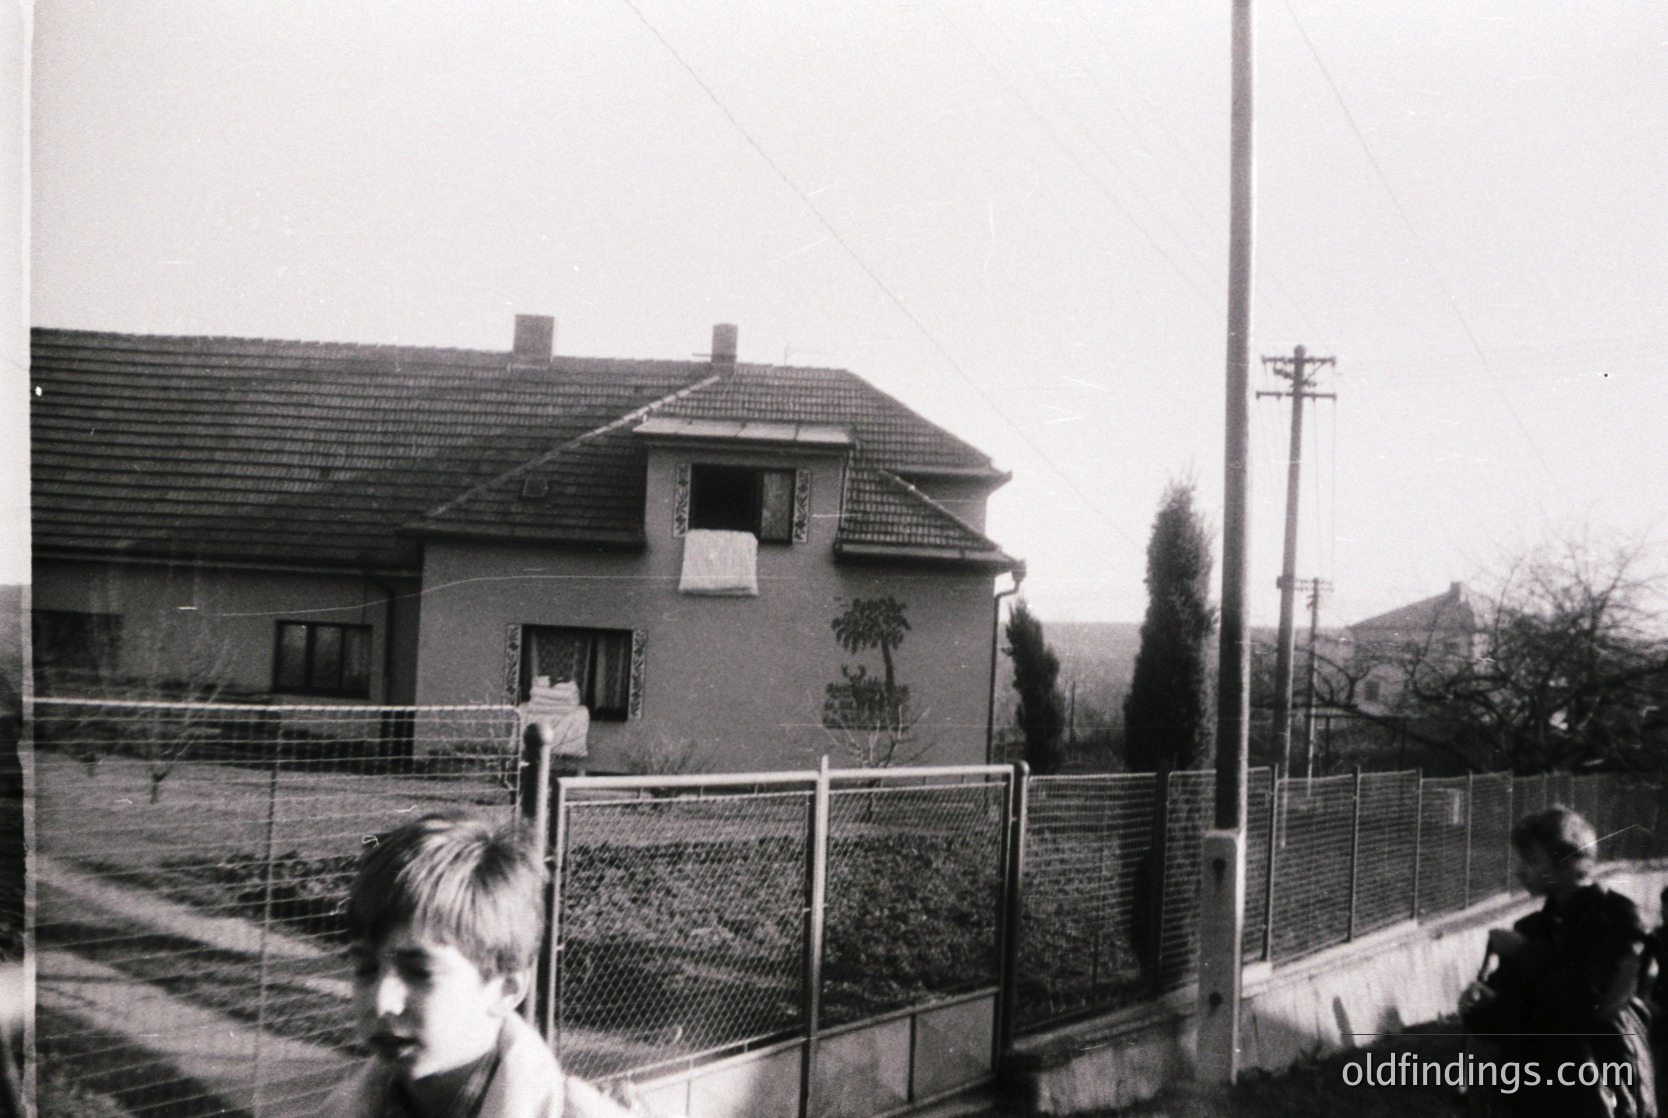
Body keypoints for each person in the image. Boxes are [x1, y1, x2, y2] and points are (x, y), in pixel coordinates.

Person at [326, 813, 639, 1118]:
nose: (383, 1002)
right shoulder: (339, 1110)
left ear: (506, 988)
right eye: (366, 969)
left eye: (420, 973)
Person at [1459, 806, 1656, 1118]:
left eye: (1531, 860)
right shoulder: (1531, 929)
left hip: (1599, 1092)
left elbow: (1596, 1002)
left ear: (1567, 864)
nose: (1519, 870)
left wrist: (1524, 953)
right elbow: (1501, 1023)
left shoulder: (1618, 919)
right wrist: (1477, 1007)